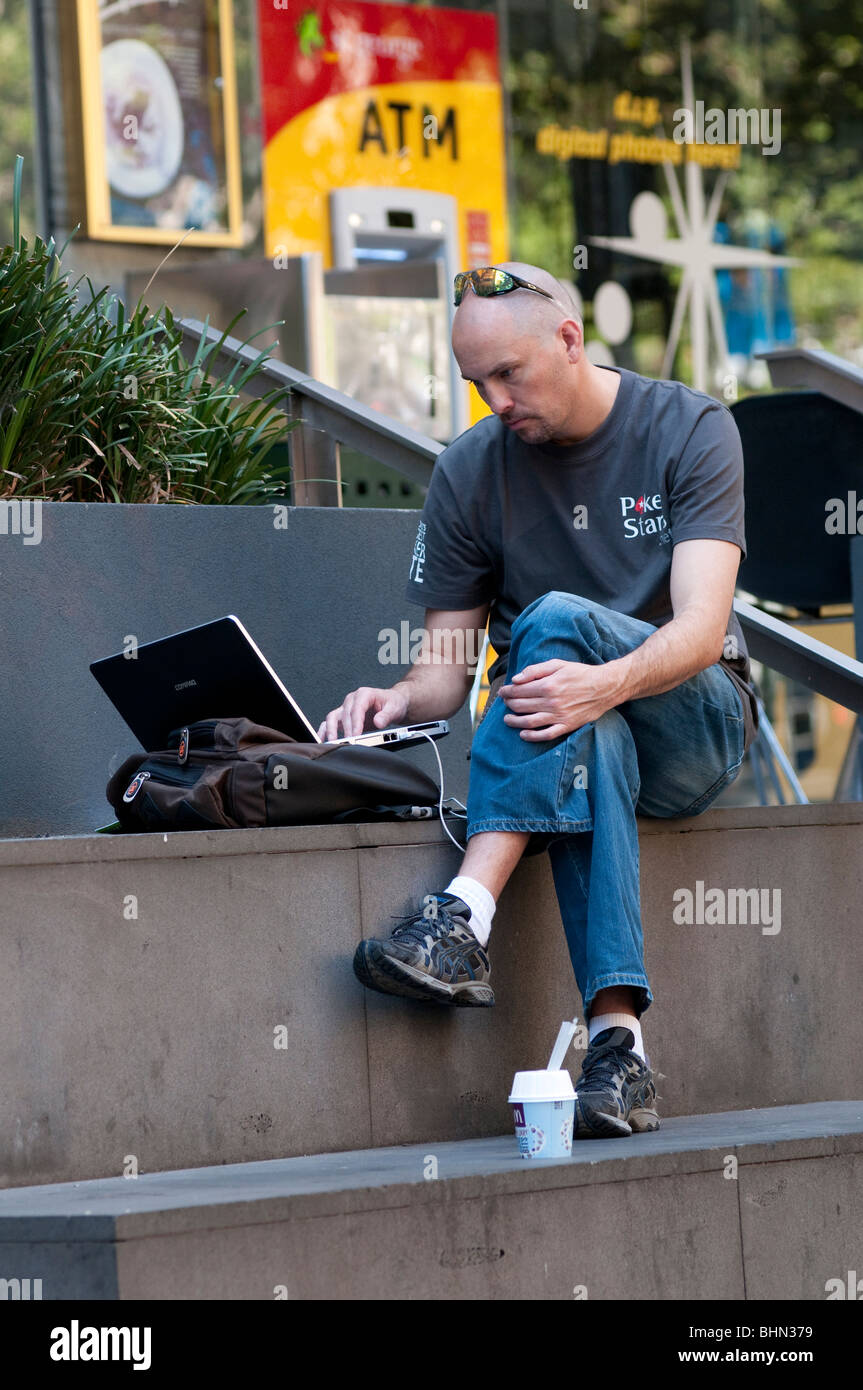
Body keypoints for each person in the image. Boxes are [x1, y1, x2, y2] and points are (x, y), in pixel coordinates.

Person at [317, 262, 758, 1139]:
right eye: (474, 382)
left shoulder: (690, 426)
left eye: (507, 374)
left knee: (550, 629)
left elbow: (702, 631)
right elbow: (443, 674)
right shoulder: (469, 470)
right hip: (575, 736)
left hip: (696, 722)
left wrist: (601, 680)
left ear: (568, 339)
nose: (492, 401)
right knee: (589, 740)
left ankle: (462, 913)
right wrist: (393, 698)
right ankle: (617, 1054)